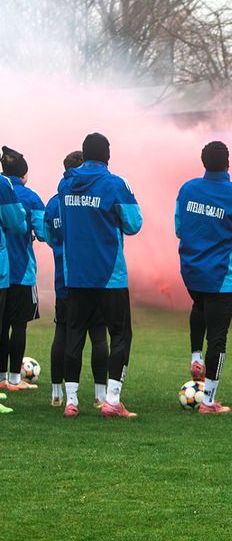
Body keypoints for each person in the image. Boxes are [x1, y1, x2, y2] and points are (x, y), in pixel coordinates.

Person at [175, 141, 232, 414]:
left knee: (198, 306)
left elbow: (179, 228)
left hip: (190, 271)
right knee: (218, 335)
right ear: (228, 163)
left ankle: (196, 357)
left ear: (203, 162)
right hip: (219, 276)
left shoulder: (187, 189)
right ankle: (210, 401)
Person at [59, 132, 142, 418]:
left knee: (75, 333)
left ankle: (71, 402)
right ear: (107, 155)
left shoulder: (65, 183)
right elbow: (133, 224)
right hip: (110, 275)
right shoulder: (116, 184)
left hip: (76, 274)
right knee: (120, 334)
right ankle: (112, 401)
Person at [43, 151, 109, 407]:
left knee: (64, 332)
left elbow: (49, 237)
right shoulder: (93, 198)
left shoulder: (54, 202)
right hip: (94, 278)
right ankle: (100, 395)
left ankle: (57, 394)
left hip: (64, 278)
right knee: (98, 336)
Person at [0, 146, 44, 391]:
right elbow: (45, 232)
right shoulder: (31, 197)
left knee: (1, 326)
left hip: (3, 274)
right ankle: (16, 379)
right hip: (22, 272)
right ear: (24, 175)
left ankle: (1, 379)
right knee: (19, 326)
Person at [0, 159, 27, 407]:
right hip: (8, 273)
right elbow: (17, 223)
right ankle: (13, 378)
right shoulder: (3, 185)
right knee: (15, 325)